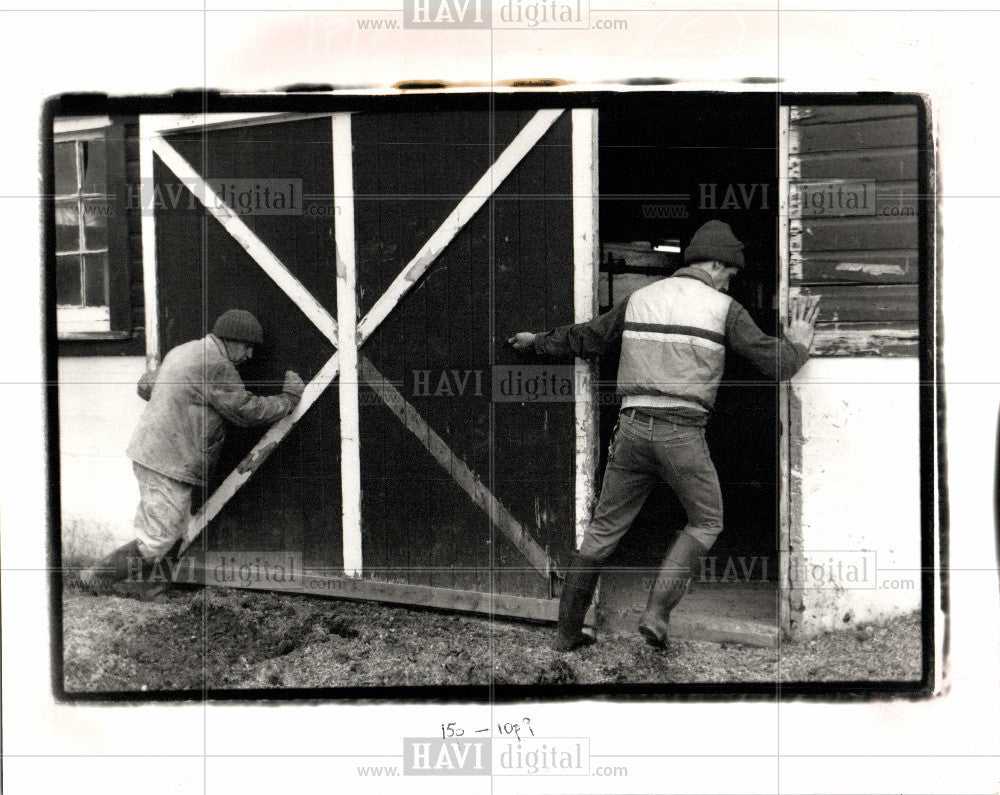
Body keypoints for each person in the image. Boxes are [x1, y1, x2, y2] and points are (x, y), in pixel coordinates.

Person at [508, 220, 820, 652]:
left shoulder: (639, 298)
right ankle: (655, 615)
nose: (730, 283)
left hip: (632, 429)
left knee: (602, 531)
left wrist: (537, 342)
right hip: (682, 435)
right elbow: (778, 365)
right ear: (713, 264)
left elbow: (588, 338)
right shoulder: (724, 310)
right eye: (729, 273)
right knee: (707, 520)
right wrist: (799, 344)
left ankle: (565, 635)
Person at [79, 309, 306, 600]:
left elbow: (145, 385)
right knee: (157, 539)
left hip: (158, 455)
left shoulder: (185, 351)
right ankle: (94, 577)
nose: (249, 355)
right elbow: (246, 412)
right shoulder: (217, 365)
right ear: (231, 341)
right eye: (248, 347)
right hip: (167, 461)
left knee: (178, 528)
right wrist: (288, 400)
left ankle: (153, 590)